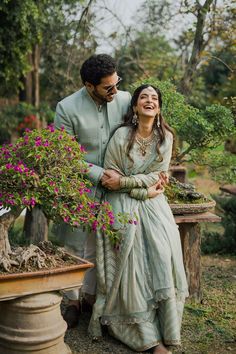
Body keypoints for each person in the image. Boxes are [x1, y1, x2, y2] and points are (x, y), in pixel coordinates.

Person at [88, 84, 189, 354]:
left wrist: (129, 183)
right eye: (143, 97)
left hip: (154, 203)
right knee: (132, 256)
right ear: (134, 107)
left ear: (159, 107)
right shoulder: (121, 136)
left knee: (162, 248)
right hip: (121, 203)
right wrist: (138, 189)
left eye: (154, 98)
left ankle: (167, 329)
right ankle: (147, 338)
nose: (149, 100)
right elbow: (110, 180)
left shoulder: (165, 137)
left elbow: (159, 176)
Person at [54, 54, 131, 328]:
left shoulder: (125, 100)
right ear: (89, 85)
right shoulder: (66, 108)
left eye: (116, 83)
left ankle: (92, 298)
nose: (115, 91)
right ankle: (72, 301)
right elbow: (65, 154)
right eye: (108, 87)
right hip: (79, 188)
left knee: (103, 246)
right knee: (75, 245)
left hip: (116, 190)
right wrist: (98, 175)